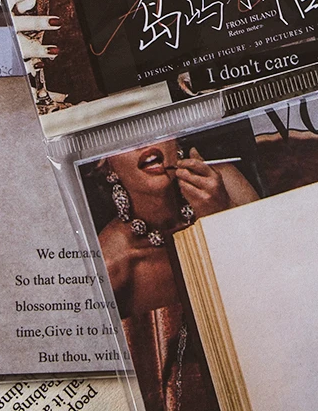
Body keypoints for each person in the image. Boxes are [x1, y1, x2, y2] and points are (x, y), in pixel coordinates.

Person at [96, 140, 258, 411]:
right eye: (122, 137)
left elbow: (280, 288)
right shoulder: (112, 267)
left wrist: (223, 220)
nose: (143, 141)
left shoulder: (224, 182)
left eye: (150, 124)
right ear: (105, 165)